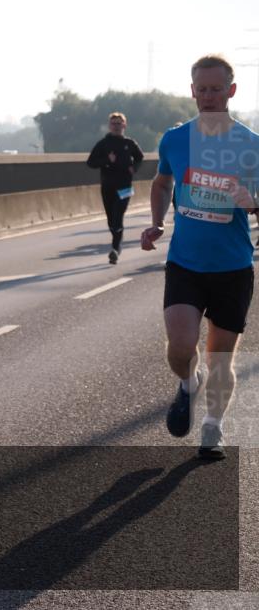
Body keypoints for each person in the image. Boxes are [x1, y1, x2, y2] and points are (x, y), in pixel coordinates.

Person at [141, 54, 259, 460]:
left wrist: (253, 201)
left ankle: (213, 428)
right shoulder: (175, 139)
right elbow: (161, 183)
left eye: (216, 89)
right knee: (181, 344)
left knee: (222, 357)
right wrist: (157, 222)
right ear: (192, 91)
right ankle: (189, 382)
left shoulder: (250, 144)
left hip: (233, 267)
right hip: (186, 263)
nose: (209, 96)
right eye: (202, 89)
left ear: (231, 90)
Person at [86, 112, 144, 263]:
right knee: (111, 220)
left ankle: (115, 249)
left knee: (118, 217)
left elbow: (140, 157)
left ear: (124, 125)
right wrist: (107, 160)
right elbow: (90, 162)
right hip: (108, 186)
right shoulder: (103, 144)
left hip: (125, 186)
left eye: (119, 123)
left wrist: (134, 168)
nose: (117, 126)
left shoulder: (129, 143)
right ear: (109, 126)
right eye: (114, 124)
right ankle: (116, 245)